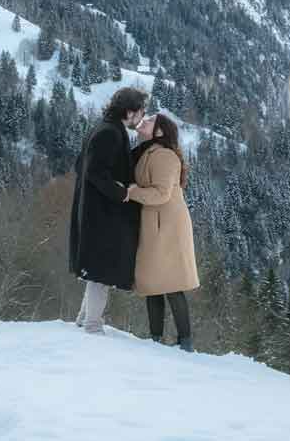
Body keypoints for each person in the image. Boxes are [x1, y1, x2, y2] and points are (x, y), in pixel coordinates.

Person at [69, 86, 146, 334]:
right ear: (130, 111)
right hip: (101, 214)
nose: (142, 117)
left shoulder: (103, 128)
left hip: (94, 211)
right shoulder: (110, 133)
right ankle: (92, 325)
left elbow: (81, 164)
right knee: (102, 271)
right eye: (140, 111)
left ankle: (84, 318)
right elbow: (94, 172)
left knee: (96, 269)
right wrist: (122, 192)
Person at [127, 112, 199, 351]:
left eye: (149, 121)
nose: (143, 122)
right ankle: (156, 340)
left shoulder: (165, 156)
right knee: (153, 282)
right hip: (156, 224)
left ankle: (185, 342)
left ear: (158, 131)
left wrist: (130, 191)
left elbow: (161, 194)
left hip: (167, 226)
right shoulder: (150, 152)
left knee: (170, 283)